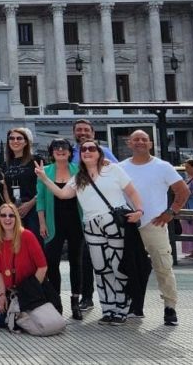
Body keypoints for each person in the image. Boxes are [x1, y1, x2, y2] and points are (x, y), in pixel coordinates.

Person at [35, 139, 144, 324]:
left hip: (113, 222)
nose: (87, 152)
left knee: (117, 265)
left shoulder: (113, 169)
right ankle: (108, 307)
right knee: (101, 269)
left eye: (91, 148)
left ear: (99, 153)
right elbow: (62, 194)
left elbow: (132, 192)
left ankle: (122, 307)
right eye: (84, 149)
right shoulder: (79, 177)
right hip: (91, 225)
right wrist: (44, 178)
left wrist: (139, 210)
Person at [120, 130, 189, 326]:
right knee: (129, 267)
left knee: (163, 266)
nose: (140, 142)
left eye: (144, 139)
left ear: (150, 144)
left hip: (155, 223)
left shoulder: (163, 166)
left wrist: (171, 212)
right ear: (129, 143)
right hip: (130, 224)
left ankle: (170, 306)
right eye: (136, 140)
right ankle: (134, 305)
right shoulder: (120, 167)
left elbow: (183, 190)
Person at [70, 118, 116, 312]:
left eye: (86, 130)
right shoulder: (68, 151)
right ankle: (86, 296)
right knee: (84, 258)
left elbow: (116, 175)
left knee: (106, 257)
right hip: (77, 211)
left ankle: (115, 298)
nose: (82, 133)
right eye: (79, 130)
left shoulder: (104, 152)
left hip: (100, 212)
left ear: (93, 134)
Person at [35, 138, 83, 319]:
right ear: (51, 152)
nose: (60, 150)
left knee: (76, 262)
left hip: (75, 220)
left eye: (64, 148)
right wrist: (42, 222)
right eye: (56, 148)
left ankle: (75, 301)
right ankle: (56, 301)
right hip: (54, 220)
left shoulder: (78, 170)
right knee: (52, 262)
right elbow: (40, 198)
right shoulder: (45, 171)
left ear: (70, 152)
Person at [0, 202, 47, 324]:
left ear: (17, 218)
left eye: (11, 215)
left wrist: (29, 291)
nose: (7, 219)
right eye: (3, 215)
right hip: (10, 293)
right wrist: (2, 295)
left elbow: (42, 267)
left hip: (29, 291)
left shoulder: (27, 236)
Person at [2, 127, 41, 238]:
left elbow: (44, 186)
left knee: (35, 241)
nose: (15, 141)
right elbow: (5, 187)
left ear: (26, 142)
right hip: (14, 210)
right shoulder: (6, 164)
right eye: (12, 138)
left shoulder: (36, 160)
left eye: (19, 138)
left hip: (34, 209)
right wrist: (11, 206)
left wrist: (30, 204)